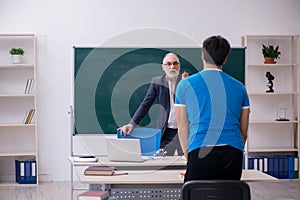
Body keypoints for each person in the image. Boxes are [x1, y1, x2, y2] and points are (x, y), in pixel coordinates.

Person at [174, 35, 250, 182]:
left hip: (199, 150)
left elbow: (182, 127)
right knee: (229, 194)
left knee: (197, 193)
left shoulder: (184, 85)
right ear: (226, 58)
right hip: (232, 152)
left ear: (203, 55)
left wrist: (189, 156)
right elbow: (243, 131)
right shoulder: (240, 88)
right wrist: (236, 150)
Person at [118, 52, 189, 156]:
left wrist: (186, 85)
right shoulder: (157, 82)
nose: (172, 66)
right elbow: (145, 104)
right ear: (163, 67)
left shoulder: (187, 80)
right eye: (168, 64)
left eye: (175, 63)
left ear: (179, 65)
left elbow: (196, 105)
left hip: (184, 131)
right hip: (166, 132)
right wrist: (132, 124)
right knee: (163, 165)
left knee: (187, 164)